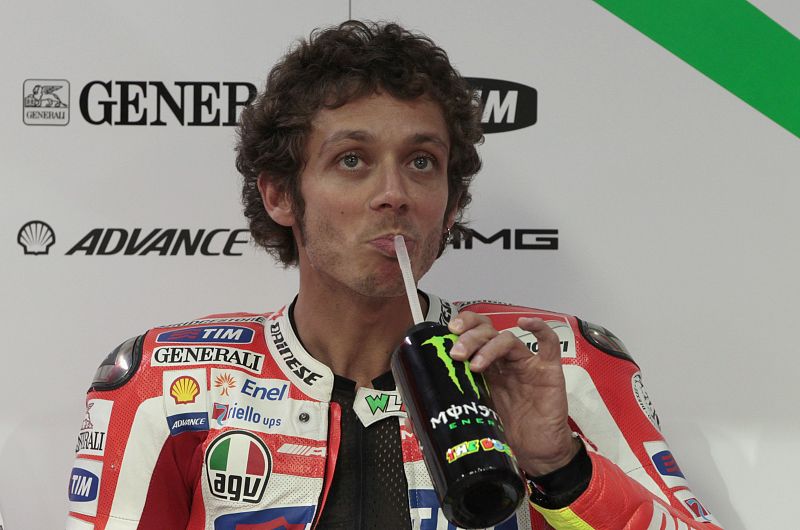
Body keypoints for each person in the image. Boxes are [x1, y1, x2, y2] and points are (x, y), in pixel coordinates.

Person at [66, 20, 723, 530]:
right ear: (280, 194)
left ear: (452, 202)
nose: (394, 194)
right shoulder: (167, 382)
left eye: (421, 162)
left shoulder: (555, 366)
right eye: (352, 160)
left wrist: (561, 468)